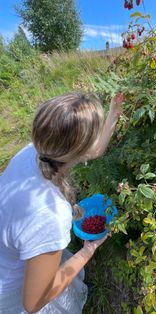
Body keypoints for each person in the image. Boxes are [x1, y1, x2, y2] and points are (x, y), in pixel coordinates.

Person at [0, 91, 124, 313]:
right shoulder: (51, 215)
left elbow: (95, 151)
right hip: (9, 291)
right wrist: (87, 252)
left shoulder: (34, 151)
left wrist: (114, 112)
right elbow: (33, 303)